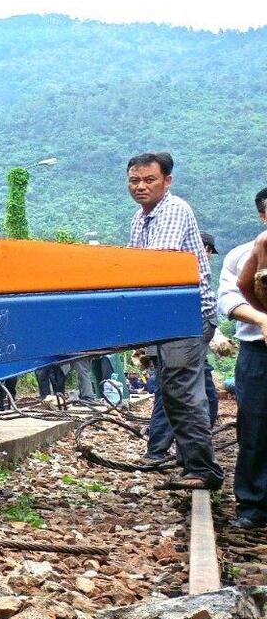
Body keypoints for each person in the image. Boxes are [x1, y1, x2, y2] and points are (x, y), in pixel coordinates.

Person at [125, 152, 222, 490]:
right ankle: (190, 463)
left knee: (181, 391)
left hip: (188, 316)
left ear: (167, 181)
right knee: (171, 391)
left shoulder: (174, 210)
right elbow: (132, 266)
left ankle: (203, 470)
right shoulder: (140, 218)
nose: (140, 186)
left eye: (149, 180)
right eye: (135, 180)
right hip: (167, 316)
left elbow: (155, 265)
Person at [219, 188, 267, 527]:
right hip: (257, 352)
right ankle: (253, 504)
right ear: (263, 216)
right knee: (255, 426)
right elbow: (229, 299)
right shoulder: (240, 255)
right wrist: (262, 319)